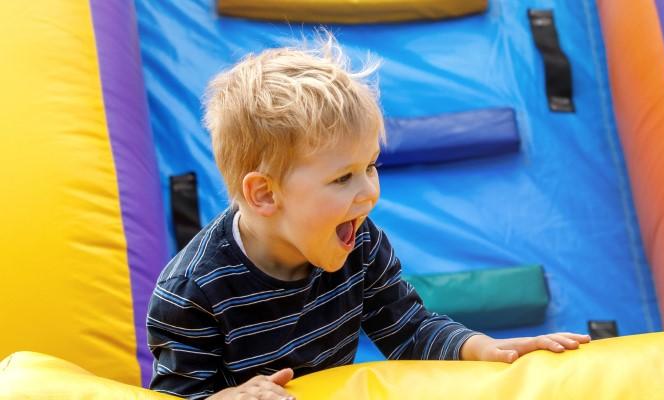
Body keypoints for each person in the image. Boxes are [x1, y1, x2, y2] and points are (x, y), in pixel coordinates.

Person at [147, 34, 590, 400]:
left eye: (371, 166)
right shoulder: (193, 293)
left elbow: (408, 329)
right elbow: (177, 393)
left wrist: (481, 347)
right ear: (265, 194)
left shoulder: (358, 243)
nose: (370, 193)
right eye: (343, 178)